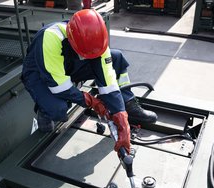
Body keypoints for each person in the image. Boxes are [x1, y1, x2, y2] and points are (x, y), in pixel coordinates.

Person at [21, 9, 157, 154]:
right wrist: (92, 101)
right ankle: (45, 112)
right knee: (58, 109)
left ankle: (128, 103)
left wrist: (120, 114)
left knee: (116, 57)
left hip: (69, 65)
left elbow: (108, 81)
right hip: (40, 73)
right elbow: (58, 86)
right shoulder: (50, 37)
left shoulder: (98, 39)